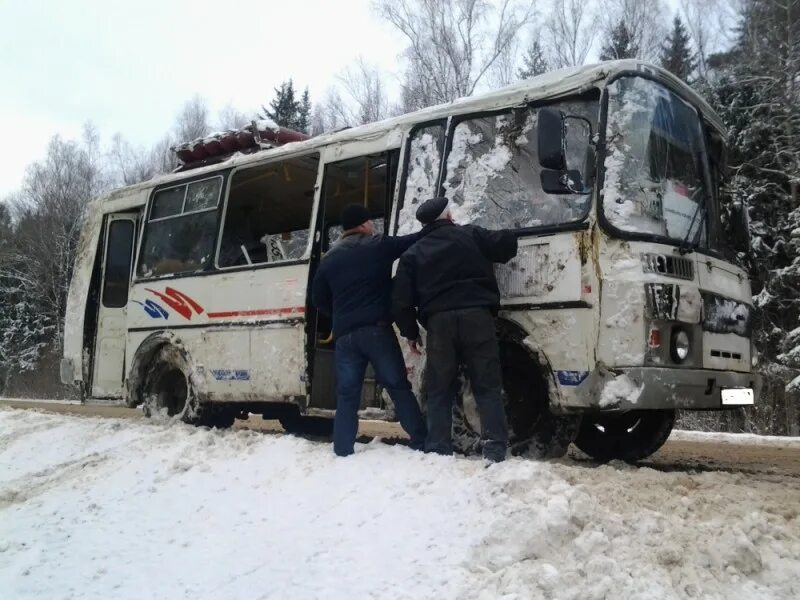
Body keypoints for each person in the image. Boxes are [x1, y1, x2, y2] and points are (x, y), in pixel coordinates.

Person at [392, 197, 518, 462]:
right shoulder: (471, 234)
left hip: (439, 325)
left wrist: (411, 333)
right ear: (449, 216)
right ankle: (495, 446)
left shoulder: (413, 253)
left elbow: (400, 300)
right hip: (477, 318)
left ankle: (438, 447)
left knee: (439, 387)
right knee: (487, 384)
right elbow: (507, 244)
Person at [312, 203, 427, 457]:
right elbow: (415, 240)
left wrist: (341, 313)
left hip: (345, 337)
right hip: (377, 331)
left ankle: (342, 449)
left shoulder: (329, 259)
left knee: (347, 394)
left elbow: (317, 299)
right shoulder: (378, 245)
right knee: (397, 387)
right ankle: (421, 439)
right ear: (364, 224)